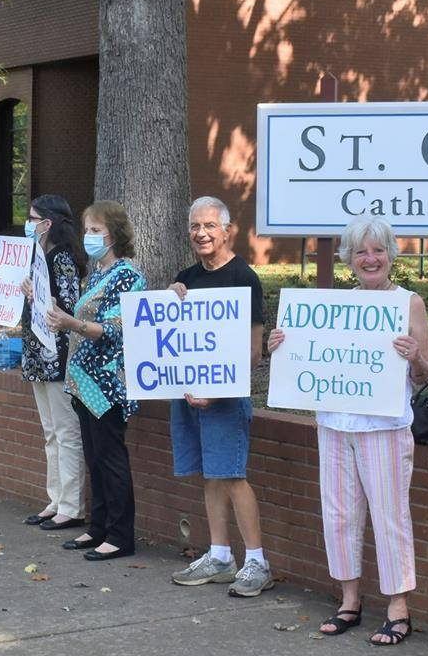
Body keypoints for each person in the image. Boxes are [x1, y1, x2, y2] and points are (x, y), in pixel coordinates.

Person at [267, 216, 428, 646]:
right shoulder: (335, 309)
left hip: (384, 426)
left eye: (378, 250)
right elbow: (308, 359)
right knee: (339, 514)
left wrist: (415, 356)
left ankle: (399, 608)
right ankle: (349, 600)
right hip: (336, 423)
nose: (370, 258)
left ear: (391, 255)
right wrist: (283, 347)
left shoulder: (408, 302)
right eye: (361, 251)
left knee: (389, 515)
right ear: (349, 259)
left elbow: (424, 374)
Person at [166, 197, 271, 597]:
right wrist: (169, 299)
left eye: (210, 225)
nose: (202, 233)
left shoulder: (243, 277)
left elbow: (253, 352)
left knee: (231, 475)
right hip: (190, 395)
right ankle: (220, 554)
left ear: (227, 230)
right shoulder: (186, 277)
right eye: (195, 226)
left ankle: (257, 562)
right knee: (211, 475)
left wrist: (216, 389)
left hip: (225, 399)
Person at [45, 201, 146, 562]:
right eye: (86, 230)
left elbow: (118, 329)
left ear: (114, 233)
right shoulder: (97, 273)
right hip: (83, 381)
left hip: (108, 384)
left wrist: (72, 323)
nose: (88, 237)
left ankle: (121, 535)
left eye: (95, 230)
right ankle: (99, 526)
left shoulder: (128, 275)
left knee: (111, 458)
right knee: (94, 458)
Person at [16, 196, 86, 531]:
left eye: (33, 218)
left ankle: (72, 505)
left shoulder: (63, 259)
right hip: (37, 353)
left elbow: (70, 306)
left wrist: (39, 297)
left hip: (58, 354)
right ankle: (55, 499)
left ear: (49, 222)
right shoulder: (37, 257)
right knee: (49, 431)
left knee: (65, 430)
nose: (28, 223)